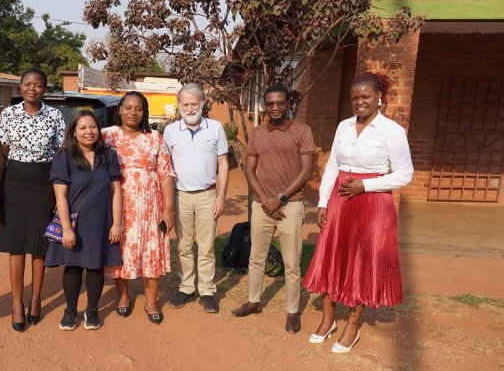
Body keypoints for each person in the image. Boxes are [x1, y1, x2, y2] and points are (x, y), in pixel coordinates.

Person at [304, 72, 413, 353]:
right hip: (341, 200)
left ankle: (352, 326)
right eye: (355, 98)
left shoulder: (392, 131)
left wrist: (365, 186)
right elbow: (332, 165)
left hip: (373, 204)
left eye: (365, 97)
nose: (359, 102)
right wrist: (323, 202)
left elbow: (404, 174)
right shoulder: (343, 126)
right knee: (333, 257)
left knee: (363, 261)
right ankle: (328, 319)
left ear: (379, 98)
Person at [232, 84, 315, 334]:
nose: (275, 107)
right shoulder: (258, 133)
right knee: (256, 258)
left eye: (280, 103)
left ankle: (292, 312)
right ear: (264, 106)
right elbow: (250, 169)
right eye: (270, 103)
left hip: (290, 205)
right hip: (262, 205)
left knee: (292, 263)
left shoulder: (302, 130)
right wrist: (264, 199)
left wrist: (279, 198)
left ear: (288, 104)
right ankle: (253, 301)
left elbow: (306, 171)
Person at [0, 67, 65, 331]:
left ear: (44, 89)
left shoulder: (55, 116)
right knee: (16, 245)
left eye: (37, 85)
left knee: (38, 246)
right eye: (27, 84)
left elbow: (60, 157)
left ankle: (35, 300)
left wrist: (60, 192)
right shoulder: (8, 114)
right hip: (14, 183)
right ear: (20, 87)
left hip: (43, 183)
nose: (32, 88)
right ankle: (16, 303)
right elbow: (1, 154)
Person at [45, 111, 123, 330]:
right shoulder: (63, 156)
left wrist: (117, 224)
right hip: (75, 222)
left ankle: (92, 310)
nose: (89, 132)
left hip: (101, 221)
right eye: (83, 128)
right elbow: (60, 195)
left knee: (96, 266)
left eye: (93, 127)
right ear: (74, 132)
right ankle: (70, 310)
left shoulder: (109, 156)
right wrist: (67, 229)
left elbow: (116, 192)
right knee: (73, 267)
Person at [103, 91, 175, 324]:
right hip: (117, 206)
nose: (133, 112)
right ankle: (123, 295)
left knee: (150, 250)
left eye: (138, 108)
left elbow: (165, 174)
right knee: (120, 251)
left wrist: (168, 209)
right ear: (120, 110)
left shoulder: (155, 137)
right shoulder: (107, 136)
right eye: (128, 107)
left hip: (150, 206)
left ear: (144, 112)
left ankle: (151, 301)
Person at [164, 83, 229, 314]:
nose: (190, 108)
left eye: (194, 104)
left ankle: (208, 290)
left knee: (206, 245)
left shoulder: (216, 128)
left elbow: (223, 164)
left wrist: (221, 196)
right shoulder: (170, 131)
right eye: (185, 104)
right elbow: (165, 166)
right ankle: (186, 286)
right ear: (179, 105)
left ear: (203, 104)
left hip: (207, 195)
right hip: (181, 196)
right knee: (183, 245)